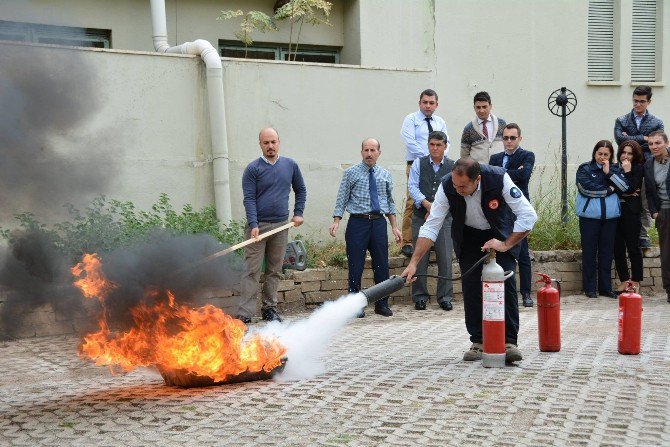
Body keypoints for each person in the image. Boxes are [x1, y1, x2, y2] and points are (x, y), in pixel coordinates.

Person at [401, 158, 537, 363]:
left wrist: (505, 244)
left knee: (505, 284)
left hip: (500, 232)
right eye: (455, 185)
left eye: (463, 186)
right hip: (469, 236)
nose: (457, 189)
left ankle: (509, 342)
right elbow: (432, 225)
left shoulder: (498, 178)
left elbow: (528, 215)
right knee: (472, 286)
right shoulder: (448, 185)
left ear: (478, 179)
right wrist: (413, 263)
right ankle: (478, 341)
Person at [237, 127, 307, 323]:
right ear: (260, 144)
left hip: (281, 226)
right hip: (257, 228)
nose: (270, 146)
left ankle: (270, 309)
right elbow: (249, 198)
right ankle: (245, 313)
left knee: (274, 270)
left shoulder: (290, 165)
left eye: (273, 142)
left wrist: (298, 213)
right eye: (266, 143)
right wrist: (253, 224)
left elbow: (300, 190)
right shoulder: (253, 169)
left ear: (279, 142)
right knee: (251, 270)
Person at [329, 138, 402, 317]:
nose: (369, 154)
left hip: (378, 223)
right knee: (356, 265)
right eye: (366, 150)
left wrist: (394, 227)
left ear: (379, 152)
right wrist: (336, 221)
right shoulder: (351, 173)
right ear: (361, 152)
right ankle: (355, 305)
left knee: (381, 265)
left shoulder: (385, 174)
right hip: (358, 223)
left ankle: (381, 303)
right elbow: (342, 198)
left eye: (373, 150)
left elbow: (389, 202)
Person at [489, 123, 535, 307]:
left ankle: (526, 293)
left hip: (518, 210)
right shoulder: (495, 157)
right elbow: (491, 178)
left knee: (522, 253)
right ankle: (501, 291)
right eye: (506, 138)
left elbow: (524, 176)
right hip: (499, 211)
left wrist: (500, 173)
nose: (508, 141)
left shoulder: (527, 155)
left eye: (512, 138)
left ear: (519, 139)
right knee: (501, 251)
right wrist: (512, 172)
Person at [407, 131, 455, 311]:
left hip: (444, 218)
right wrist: (427, 204)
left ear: (445, 146)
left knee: (445, 258)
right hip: (421, 215)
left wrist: (437, 210)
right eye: (432, 145)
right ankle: (420, 296)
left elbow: (455, 190)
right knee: (420, 257)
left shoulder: (453, 166)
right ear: (428, 145)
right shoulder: (419, 163)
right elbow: (412, 186)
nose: (435, 148)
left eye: (439, 145)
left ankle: (445, 296)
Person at [576, 140, 629, 299]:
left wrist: (609, 173)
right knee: (589, 253)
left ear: (611, 155)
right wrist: (609, 190)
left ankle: (605, 288)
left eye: (606, 154)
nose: (602, 157)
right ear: (594, 153)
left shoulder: (614, 169)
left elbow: (625, 186)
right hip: (589, 218)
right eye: (600, 154)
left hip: (610, 218)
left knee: (607, 254)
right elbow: (586, 189)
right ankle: (589, 288)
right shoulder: (585, 168)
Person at [614, 85, 665, 249]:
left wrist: (630, 138)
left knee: (644, 203)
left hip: (647, 167)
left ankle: (643, 236)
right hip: (625, 167)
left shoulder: (657, 122)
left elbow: (655, 143)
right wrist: (642, 138)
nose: (638, 104)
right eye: (635, 101)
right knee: (625, 200)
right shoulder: (621, 120)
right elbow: (620, 141)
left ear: (649, 102)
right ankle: (623, 234)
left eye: (642, 101)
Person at [400, 89, 449, 257]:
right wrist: (427, 158)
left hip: (438, 165)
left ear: (436, 104)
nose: (428, 106)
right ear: (419, 103)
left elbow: (445, 143)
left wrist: (439, 160)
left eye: (431, 103)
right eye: (425, 102)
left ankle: (431, 239)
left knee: (437, 201)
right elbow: (410, 142)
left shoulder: (440, 121)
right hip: (416, 164)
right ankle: (408, 241)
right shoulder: (411, 119)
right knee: (414, 201)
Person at [613, 140, 645, 294]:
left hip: (631, 212)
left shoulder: (638, 168)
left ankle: (636, 280)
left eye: (629, 153)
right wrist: (625, 192)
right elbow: (612, 189)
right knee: (617, 247)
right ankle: (624, 280)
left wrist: (627, 172)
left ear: (635, 155)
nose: (625, 156)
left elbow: (633, 187)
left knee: (633, 248)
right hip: (615, 210)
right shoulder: (613, 168)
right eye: (623, 152)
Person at [643, 131, 670, 303]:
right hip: (664, 214)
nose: (654, 147)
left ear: (666, 143)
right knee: (667, 254)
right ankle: (669, 289)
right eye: (651, 144)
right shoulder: (648, 164)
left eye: (658, 143)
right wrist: (654, 212)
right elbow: (650, 193)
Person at [460, 91, 506, 164]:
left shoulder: (502, 124)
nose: (481, 111)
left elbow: (508, 145)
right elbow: (464, 155)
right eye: (478, 107)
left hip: (499, 170)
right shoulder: (468, 129)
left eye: (484, 107)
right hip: (479, 172)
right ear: (474, 108)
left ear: (490, 106)